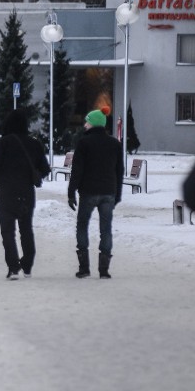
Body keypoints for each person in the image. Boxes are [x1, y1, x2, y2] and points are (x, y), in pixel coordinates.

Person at [0, 109, 51, 279]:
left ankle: (14, 267)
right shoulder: (34, 144)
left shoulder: (4, 143)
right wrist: (32, 175)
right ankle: (27, 265)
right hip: (26, 195)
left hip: (6, 194)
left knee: (8, 232)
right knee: (26, 230)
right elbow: (45, 169)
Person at [68, 108, 124, 279]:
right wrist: (118, 194)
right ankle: (104, 269)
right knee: (106, 229)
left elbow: (77, 170)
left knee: (82, 225)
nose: (85, 124)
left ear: (93, 123)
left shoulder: (84, 143)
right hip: (108, 192)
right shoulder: (115, 144)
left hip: (88, 192)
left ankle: (84, 268)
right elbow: (119, 171)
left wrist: (71, 192)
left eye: (87, 121)